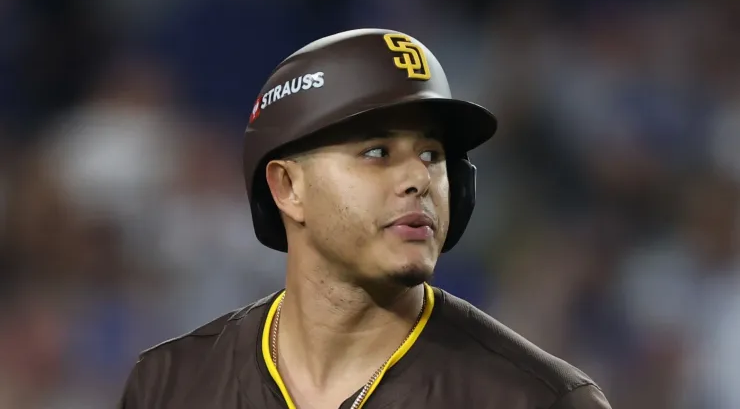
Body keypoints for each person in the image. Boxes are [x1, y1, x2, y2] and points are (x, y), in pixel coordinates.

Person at [118, 28, 612, 409]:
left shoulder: (536, 399)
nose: (417, 178)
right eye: (377, 152)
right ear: (288, 188)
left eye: (432, 154)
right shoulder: (171, 385)